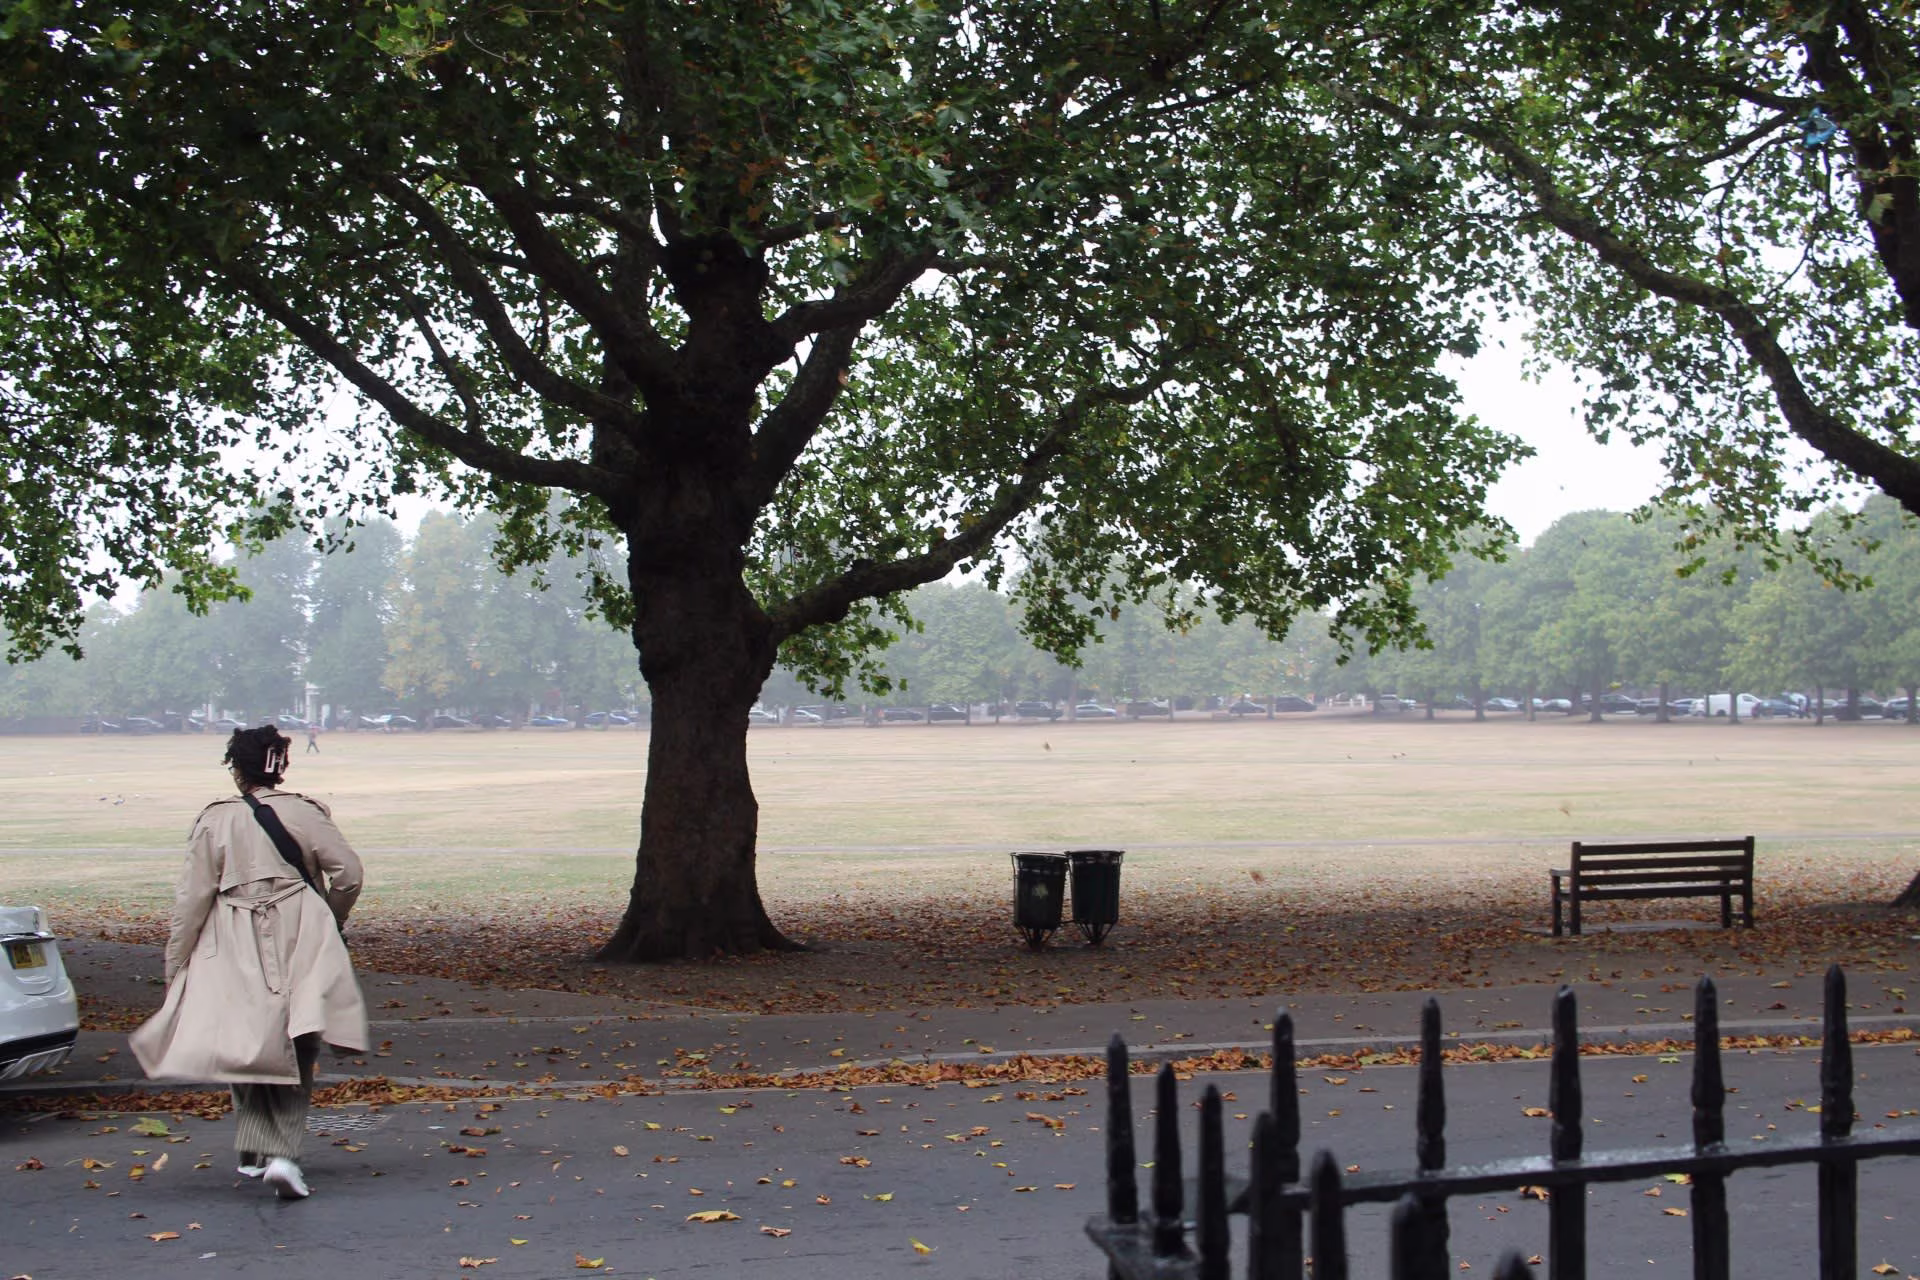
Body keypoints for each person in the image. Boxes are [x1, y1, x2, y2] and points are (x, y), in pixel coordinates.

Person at [130, 726, 368, 1201]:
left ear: (237, 769)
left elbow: (191, 900)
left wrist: (177, 963)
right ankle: (279, 1154)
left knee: (244, 1040)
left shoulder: (214, 819)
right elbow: (350, 875)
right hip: (300, 931)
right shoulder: (305, 811)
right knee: (298, 1041)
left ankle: (259, 1150)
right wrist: (328, 917)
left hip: (232, 938)